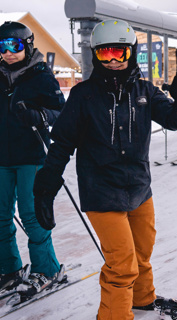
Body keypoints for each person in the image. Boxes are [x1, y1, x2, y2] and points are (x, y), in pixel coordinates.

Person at [32, 19, 177, 319]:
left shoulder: (145, 91)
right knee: (121, 264)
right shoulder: (84, 96)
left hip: (139, 188)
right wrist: (46, 184)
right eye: (104, 54)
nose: (112, 61)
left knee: (141, 254)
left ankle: (142, 300)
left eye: (119, 53)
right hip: (101, 191)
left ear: (132, 53)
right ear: (95, 55)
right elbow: (61, 144)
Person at [0, 21, 65, 296]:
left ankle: (47, 269)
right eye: (2, 47)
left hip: (31, 153)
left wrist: (40, 116)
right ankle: (10, 268)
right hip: (2, 156)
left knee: (31, 214)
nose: (8, 52)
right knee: (0, 215)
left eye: (13, 46)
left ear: (27, 45)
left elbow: (60, 111)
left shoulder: (40, 75)